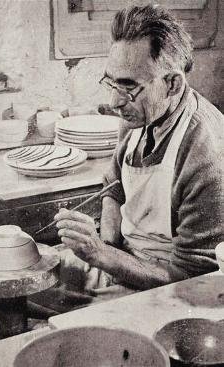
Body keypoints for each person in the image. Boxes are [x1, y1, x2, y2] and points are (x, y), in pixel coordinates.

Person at [54, 5, 224, 295]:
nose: (115, 101)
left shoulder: (206, 153)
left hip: (170, 287)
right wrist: (105, 250)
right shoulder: (140, 113)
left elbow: (194, 278)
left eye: (128, 86)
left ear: (172, 83)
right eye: (111, 82)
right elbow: (114, 187)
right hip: (124, 258)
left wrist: (101, 256)